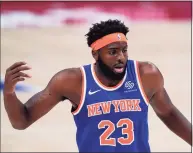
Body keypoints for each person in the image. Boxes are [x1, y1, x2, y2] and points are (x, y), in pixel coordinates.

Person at [3, 19, 192, 152]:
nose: (121, 58)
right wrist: (10, 93)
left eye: (124, 51)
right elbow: (21, 121)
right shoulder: (71, 81)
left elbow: (168, 113)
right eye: (113, 52)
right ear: (95, 54)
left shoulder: (146, 75)